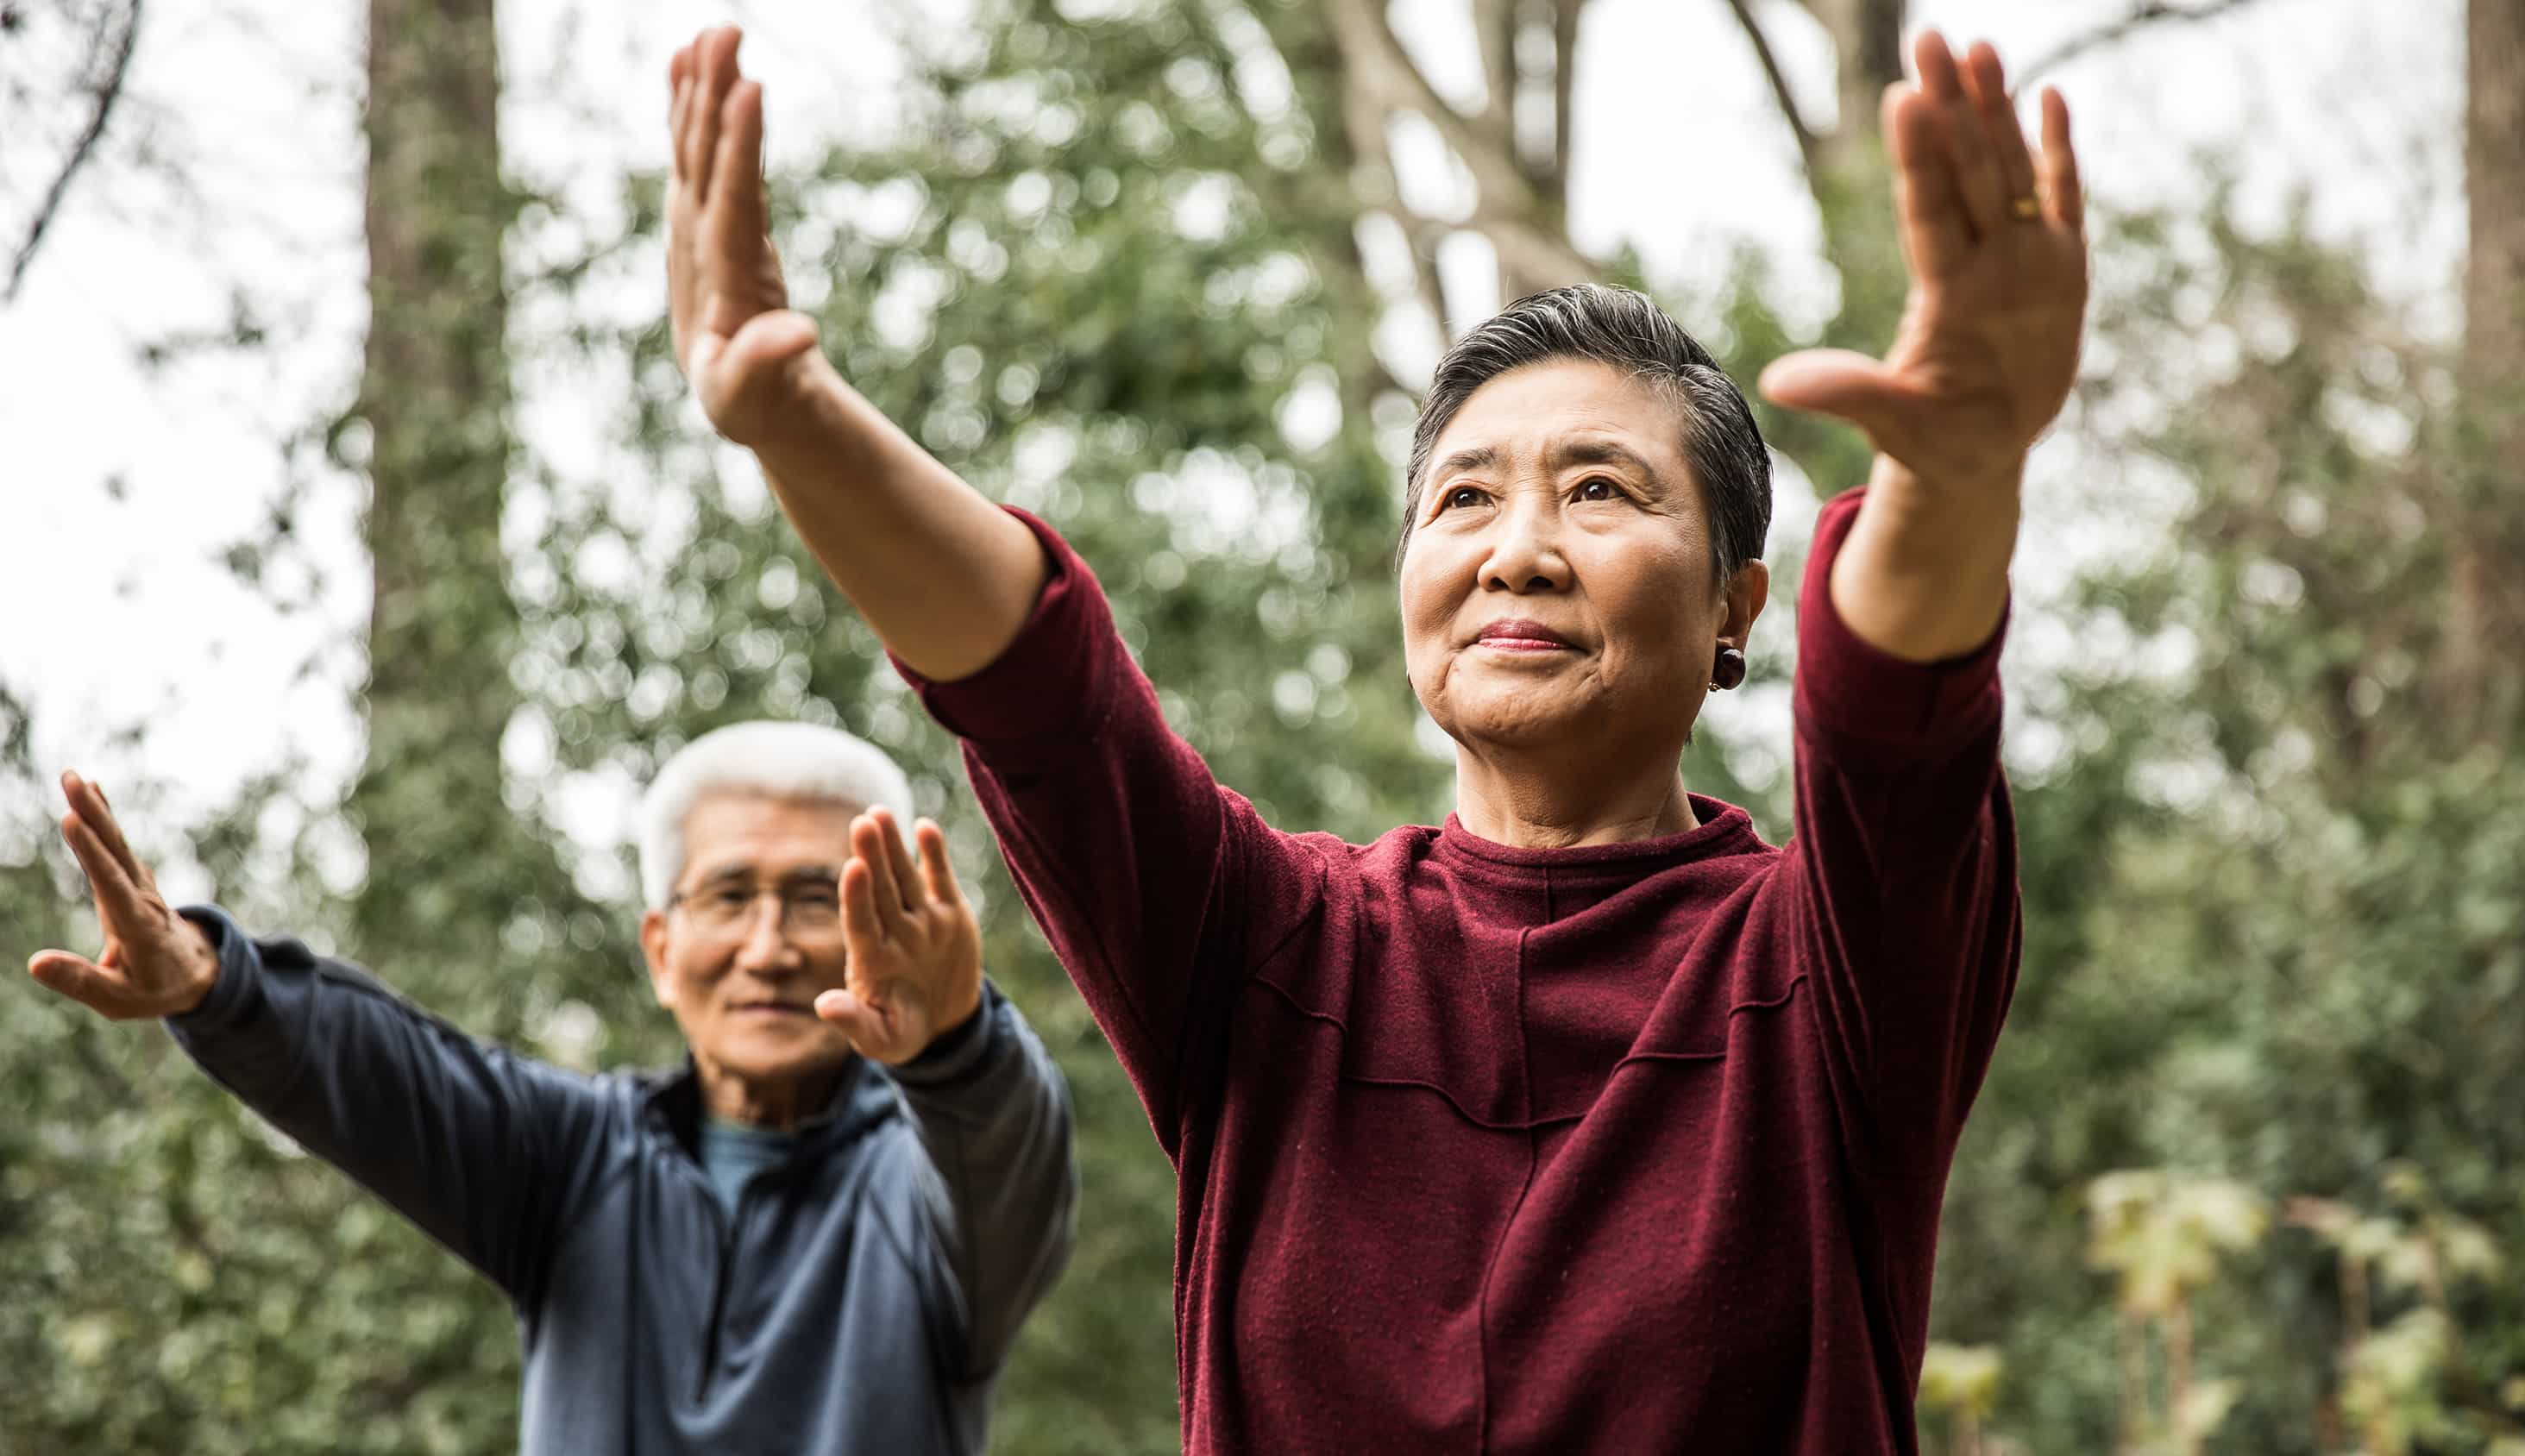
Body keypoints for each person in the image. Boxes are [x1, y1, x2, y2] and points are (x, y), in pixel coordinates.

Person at [663, 17, 2082, 1450]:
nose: (1518, 551)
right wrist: (796, 420)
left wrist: (1957, 480)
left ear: (1736, 605)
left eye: (1599, 490)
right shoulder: (1273, 953)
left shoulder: (1824, 969)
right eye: (1465, 498)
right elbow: (1043, 694)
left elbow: (1897, 734)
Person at [27, 720, 1077, 1456]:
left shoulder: (927, 1194)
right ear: (660, 949)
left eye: (818, 899)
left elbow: (1004, 1155)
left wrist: (955, 1041)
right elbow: (390, 1073)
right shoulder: (579, 1158)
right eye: (729, 895)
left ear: (879, 934)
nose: (769, 947)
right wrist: (216, 983)